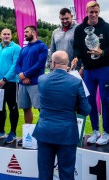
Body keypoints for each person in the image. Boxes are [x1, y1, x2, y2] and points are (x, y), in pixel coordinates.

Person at [33, 51, 91, 180]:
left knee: (44, 173)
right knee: (66, 173)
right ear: (68, 64)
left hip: (45, 130)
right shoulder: (75, 82)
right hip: (66, 133)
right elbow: (86, 110)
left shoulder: (42, 79)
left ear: (53, 63)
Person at [71, 1, 109, 145]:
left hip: (103, 69)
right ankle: (96, 131)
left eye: (96, 12)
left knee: (105, 99)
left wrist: (102, 52)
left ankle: (107, 132)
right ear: (86, 12)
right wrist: (77, 57)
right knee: (90, 101)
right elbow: (77, 47)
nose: (94, 15)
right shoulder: (80, 29)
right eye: (91, 12)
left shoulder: (107, 27)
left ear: (99, 11)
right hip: (88, 70)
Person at [0, 28, 21, 144]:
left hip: (10, 82)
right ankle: (1, 131)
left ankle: (13, 133)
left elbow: (15, 65)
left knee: (12, 107)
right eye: (4, 34)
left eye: (8, 34)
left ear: (11, 36)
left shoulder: (16, 48)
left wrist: (5, 79)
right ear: (0, 35)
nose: (6, 36)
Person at [15, 25, 48, 128]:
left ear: (33, 32)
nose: (25, 34)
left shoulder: (41, 46)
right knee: (25, 108)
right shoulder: (23, 49)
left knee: (40, 108)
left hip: (35, 83)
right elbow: (17, 64)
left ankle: (43, 132)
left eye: (27, 32)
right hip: (22, 83)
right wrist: (22, 75)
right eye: (24, 32)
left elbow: (40, 64)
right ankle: (28, 133)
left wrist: (25, 74)